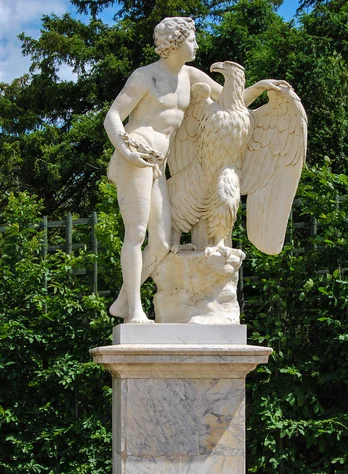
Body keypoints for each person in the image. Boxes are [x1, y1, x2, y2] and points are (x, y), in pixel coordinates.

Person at [104, 16, 285, 322]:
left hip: (158, 164)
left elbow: (232, 100)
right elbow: (112, 117)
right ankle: (134, 310)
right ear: (175, 43)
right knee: (135, 234)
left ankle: (124, 299)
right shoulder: (144, 77)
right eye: (192, 40)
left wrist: (261, 87)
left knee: (162, 243)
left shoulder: (190, 76)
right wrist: (126, 150)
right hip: (136, 155)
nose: (197, 44)